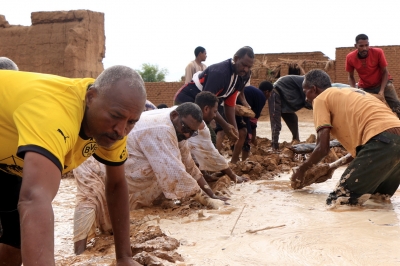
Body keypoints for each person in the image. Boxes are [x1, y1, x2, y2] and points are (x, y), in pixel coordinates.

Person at [0, 66, 146, 266]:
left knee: (16, 239)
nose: (121, 130)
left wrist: (124, 257)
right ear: (91, 97)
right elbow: (35, 197)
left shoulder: (115, 126)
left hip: (8, 161)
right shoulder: (54, 113)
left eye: (132, 122)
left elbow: (116, 184)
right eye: (115, 116)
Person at [73, 102, 228, 253]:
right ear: (175, 115)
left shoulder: (178, 129)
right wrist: (205, 200)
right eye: (186, 128)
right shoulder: (162, 129)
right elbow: (175, 172)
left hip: (119, 162)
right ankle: (79, 254)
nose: (187, 134)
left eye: (192, 132)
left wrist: (212, 195)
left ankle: (102, 248)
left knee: (109, 224)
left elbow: (189, 165)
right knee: (89, 199)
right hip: (94, 159)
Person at [291, 69, 400, 206]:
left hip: (382, 141)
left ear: (314, 89)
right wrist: (332, 167)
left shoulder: (321, 98)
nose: (306, 98)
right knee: (377, 201)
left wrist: (302, 170)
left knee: (338, 202)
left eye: (305, 91)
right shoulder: (353, 93)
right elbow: (367, 150)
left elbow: (322, 148)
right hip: (391, 142)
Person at [174, 46, 254, 143]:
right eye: (244, 65)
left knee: (205, 140)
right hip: (187, 100)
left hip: (204, 106)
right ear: (236, 59)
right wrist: (225, 126)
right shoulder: (220, 73)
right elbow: (207, 104)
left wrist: (234, 129)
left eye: (249, 67)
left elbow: (230, 104)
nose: (246, 69)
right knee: (194, 137)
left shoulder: (243, 76)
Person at [189, 91, 248, 182]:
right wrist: (234, 177)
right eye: (215, 111)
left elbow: (192, 152)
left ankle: (203, 174)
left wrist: (204, 175)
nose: (215, 115)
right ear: (206, 109)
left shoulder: (187, 114)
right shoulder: (200, 126)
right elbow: (212, 153)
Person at [346, 34, 400, 118]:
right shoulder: (350, 57)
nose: (364, 48)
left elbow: (385, 72)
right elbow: (351, 76)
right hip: (366, 87)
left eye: (366, 45)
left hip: (383, 84)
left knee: (397, 106)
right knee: (364, 110)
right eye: (361, 46)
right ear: (356, 46)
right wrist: (353, 90)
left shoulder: (378, 52)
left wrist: (381, 91)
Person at [229, 82, 272, 163]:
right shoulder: (262, 97)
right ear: (267, 92)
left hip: (230, 107)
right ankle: (242, 162)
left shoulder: (254, 91)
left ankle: (235, 160)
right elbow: (253, 119)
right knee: (246, 137)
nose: (270, 96)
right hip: (239, 109)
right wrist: (253, 137)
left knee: (236, 135)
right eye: (270, 93)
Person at [268, 75, 312, 150]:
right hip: (276, 93)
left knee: (293, 119)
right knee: (276, 123)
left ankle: (296, 141)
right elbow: (309, 102)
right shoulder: (307, 83)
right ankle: (274, 146)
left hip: (285, 98)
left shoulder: (310, 84)